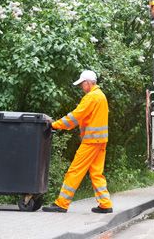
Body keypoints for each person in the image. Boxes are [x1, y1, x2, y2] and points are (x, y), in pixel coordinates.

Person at [42, 70, 113, 213]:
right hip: (100, 141)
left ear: (88, 83)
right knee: (96, 173)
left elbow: (76, 116)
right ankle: (105, 204)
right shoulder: (101, 96)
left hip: (91, 141)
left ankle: (62, 203)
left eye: (82, 84)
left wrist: (55, 125)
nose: (81, 87)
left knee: (75, 171)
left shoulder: (91, 97)